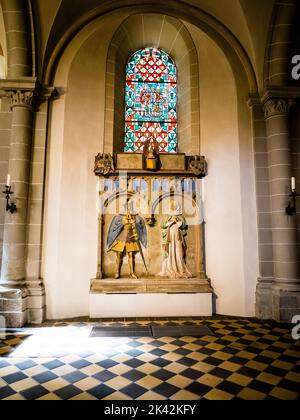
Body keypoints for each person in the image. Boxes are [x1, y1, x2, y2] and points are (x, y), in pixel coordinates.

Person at [107, 203, 147, 279]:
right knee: (119, 254)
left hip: (130, 236)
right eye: (127, 207)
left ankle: (132, 272)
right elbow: (115, 226)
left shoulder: (136, 216)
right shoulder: (120, 216)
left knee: (131, 254)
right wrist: (123, 222)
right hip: (121, 236)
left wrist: (134, 223)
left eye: (130, 207)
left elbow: (139, 226)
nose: (128, 209)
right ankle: (117, 272)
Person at [159, 202, 192, 279]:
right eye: (172, 206)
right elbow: (163, 225)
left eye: (174, 206)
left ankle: (179, 267)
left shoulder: (180, 216)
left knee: (178, 251)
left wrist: (177, 222)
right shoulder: (167, 216)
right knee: (170, 251)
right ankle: (170, 267)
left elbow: (184, 225)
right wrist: (170, 222)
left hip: (177, 237)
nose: (173, 208)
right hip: (169, 237)